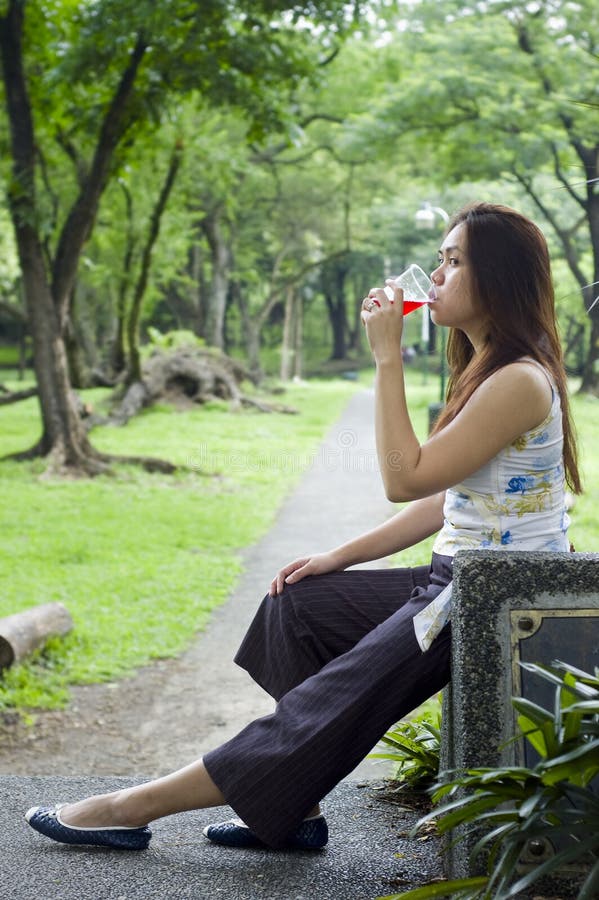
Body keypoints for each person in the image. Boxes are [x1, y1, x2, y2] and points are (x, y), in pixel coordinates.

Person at [25, 201, 581, 853]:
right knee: (298, 608)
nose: (434, 276)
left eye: (453, 262)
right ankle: (296, 803)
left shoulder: (515, 380)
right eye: (437, 259)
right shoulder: (487, 368)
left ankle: (131, 805)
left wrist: (386, 359)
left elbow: (405, 478)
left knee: (319, 708)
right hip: (458, 580)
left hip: (491, 600)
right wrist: (334, 557)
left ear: (499, 279)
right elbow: (446, 502)